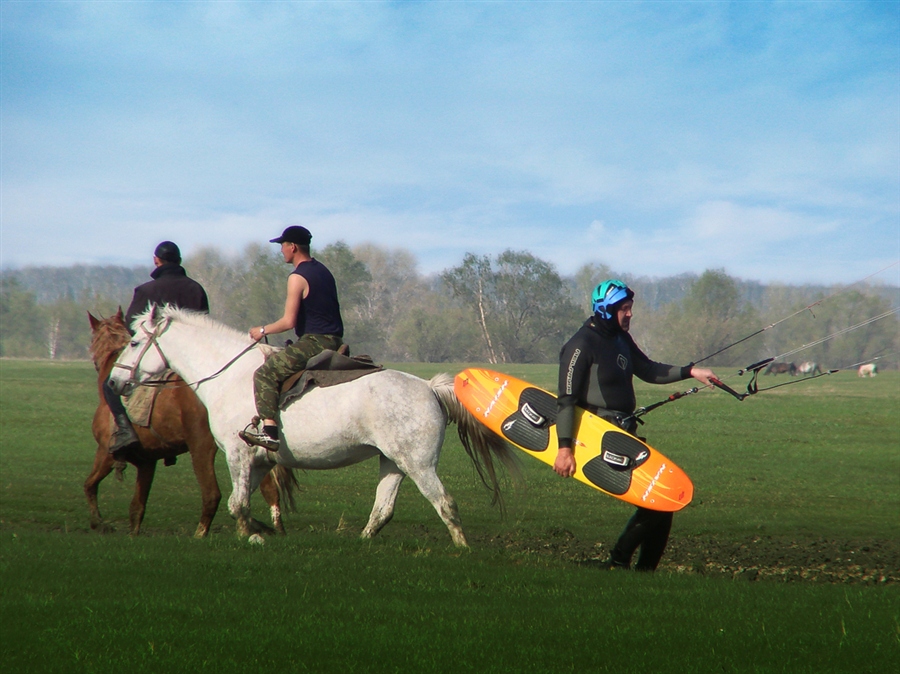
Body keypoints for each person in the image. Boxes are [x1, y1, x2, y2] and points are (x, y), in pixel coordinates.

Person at [553, 279, 717, 572]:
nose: (630, 314)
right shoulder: (580, 345)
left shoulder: (619, 338)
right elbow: (565, 401)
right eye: (624, 309)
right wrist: (564, 449)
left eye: (630, 308)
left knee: (663, 498)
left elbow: (648, 369)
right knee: (658, 499)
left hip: (623, 433)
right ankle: (618, 561)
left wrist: (691, 371)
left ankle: (644, 572)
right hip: (599, 438)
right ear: (606, 310)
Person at [238, 225, 344, 451]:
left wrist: (262, 331)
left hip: (315, 341)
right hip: (335, 339)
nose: (281, 251)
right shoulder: (324, 271)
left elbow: (288, 322)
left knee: (265, 373)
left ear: (293, 247)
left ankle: (270, 432)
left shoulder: (297, 277)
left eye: (283, 246)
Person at [105, 241, 210, 456]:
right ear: (179, 261)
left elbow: (132, 326)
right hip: (192, 361)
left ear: (156, 260)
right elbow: (205, 325)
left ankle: (125, 431)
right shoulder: (196, 288)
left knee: (110, 385)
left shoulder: (145, 290)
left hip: (158, 359)